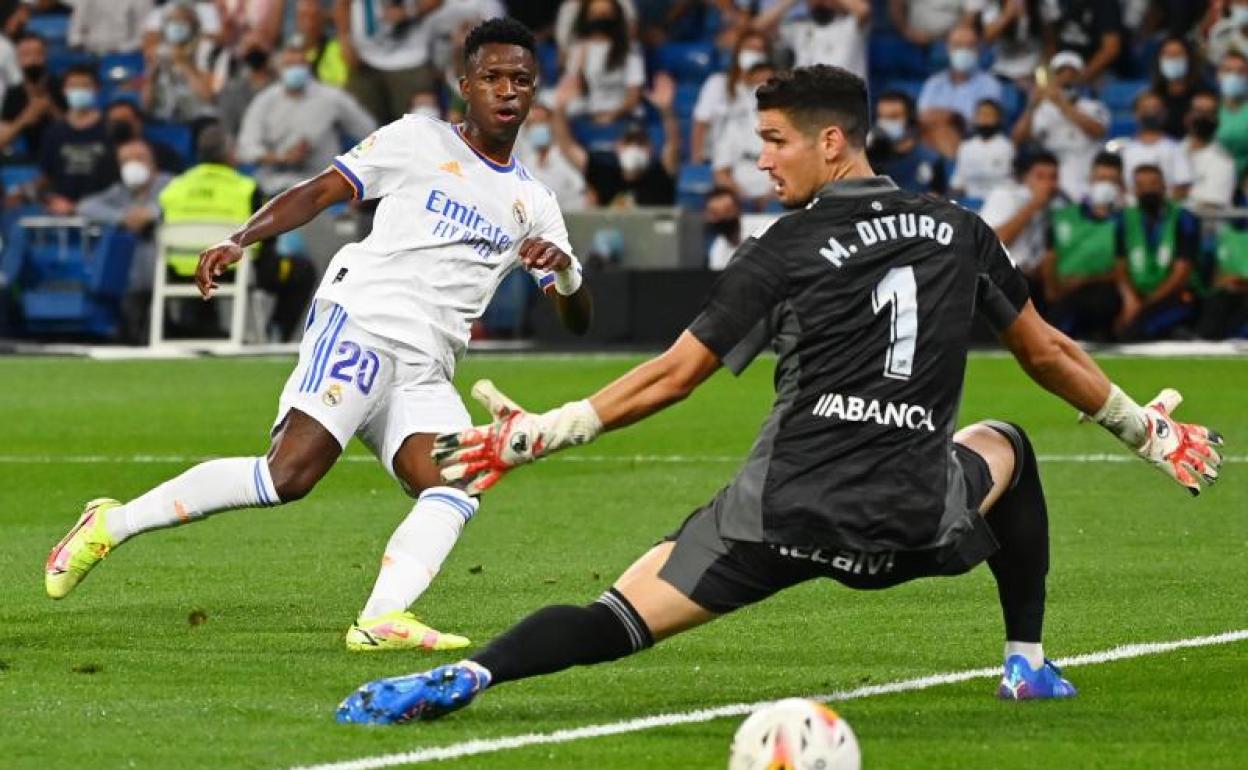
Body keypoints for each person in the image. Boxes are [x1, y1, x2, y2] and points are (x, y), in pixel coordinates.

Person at [332, 65, 1223, 725]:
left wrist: (544, 434)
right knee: (1012, 446)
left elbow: (674, 376)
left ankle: (476, 675)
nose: (760, 161)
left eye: (773, 142)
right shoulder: (961, 232)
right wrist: (1145, 431)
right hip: (914, 516)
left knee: (616, 613)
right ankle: (1026, 663)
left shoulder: (780, 251)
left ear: (830, 141)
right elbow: (1050, 353)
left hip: (780, 517)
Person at [44, 19, 594, 655]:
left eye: (520, 80)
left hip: (427, 364)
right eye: (492, 77)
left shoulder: (534, 200)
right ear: (465, 84)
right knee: (289, 475)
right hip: (363, 318)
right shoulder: (419, 139)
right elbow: (324, 190)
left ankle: (381, 619)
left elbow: (575, 315)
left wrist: (567, 269)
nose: (506, 90)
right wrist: (240, 237)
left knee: (457, 483)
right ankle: (110, 522)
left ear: (535, 92)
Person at [159, 125, 316, 343]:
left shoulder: (174, 187)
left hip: (181, 270)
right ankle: (275, 335)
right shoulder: (246, 188)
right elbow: (266, 236)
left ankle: (200, 330)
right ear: (231, 154)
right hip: (234, 270)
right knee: (302, 270)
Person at [237, 43, 377, 196]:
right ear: (278, 69)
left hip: (322, 183)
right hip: (274, 186)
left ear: (308, 66)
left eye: (300, 64)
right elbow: (247, 147)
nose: (295, 70)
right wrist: (282, 158)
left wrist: (351, 164)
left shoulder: (332, 98)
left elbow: (369, 131)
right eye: (289, 65)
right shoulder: (264, 101)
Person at [76, 138, 172, 344]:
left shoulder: (169, 184)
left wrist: (152, 213)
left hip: (168, 270)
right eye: (126, 161)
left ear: (152, 162)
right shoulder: (120, 193)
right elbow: (85, 206)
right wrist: (122, 217)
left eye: (139, 158)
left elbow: (181, 202)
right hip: (132, 280)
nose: (133, 165)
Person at [551, 73, 678, 208]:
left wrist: (666, 111)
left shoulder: (659, 174)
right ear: (618, 147)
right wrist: (560, 108)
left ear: (650, 148)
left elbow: (673, 145)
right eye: (629, 143)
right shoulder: (605, 174)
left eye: (640, 143)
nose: (634, 148)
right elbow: (567, 146)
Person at [1041, 150, 1123, 340]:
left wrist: (1084, 280)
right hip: (1062, 290)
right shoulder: (1064, 217)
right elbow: (1050, 257)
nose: (1105, 184)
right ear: (1091, 179)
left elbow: (1122, 267)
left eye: (1112, 180)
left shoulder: (1125, 220)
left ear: (1120, 184)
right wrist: (1053, 289)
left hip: (1101, 290)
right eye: (1101, 178)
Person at [1113, 164, 1201, 341]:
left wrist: (1147, 303)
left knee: (1140, 330)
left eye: (1153, 184)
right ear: (1134, 190)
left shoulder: (1184, 218)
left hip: (1172, 294)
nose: (1148, 190)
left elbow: (1181, 272)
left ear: (1163, 186)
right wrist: (1130, 299)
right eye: (1141, 185)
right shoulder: (1125, 219)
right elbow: (1120, 264)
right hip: (1137, 293)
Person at [1009, 50, 1109, 201]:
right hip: (1051, 180)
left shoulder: (1093, 107)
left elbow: (1098, 131)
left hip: (1087, 176)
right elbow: (1017, 139)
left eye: (1072, 73)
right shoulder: (1042, 110)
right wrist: (1032, 106)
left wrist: (1062, 103)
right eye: (1061, 72)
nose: (1066, 77)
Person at [332, 0, 440, 125]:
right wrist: (344, 39)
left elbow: (435, 2)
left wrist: (409, 11)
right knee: (354, 119)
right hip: (364, 58)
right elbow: (342, 4)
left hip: (409, 58)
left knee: (423, 117)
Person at [979, 151, 1062, 302]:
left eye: (1053, 177)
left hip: (1033, 281)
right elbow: (995, 242)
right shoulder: (1005, 195)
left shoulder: (1057, 206)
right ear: (1025, 178)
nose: (1047, 183)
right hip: (1000, 279)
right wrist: (1033, 206)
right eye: (1040, 176)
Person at [35, 64, 117, 214]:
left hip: (105, 208)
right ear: (64, 91)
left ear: (97, 89)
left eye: (85, 86)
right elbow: (46, 177)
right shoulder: (53, 133)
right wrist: (53, 200)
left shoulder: (111, 129)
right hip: (61, 209)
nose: (79, 90)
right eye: (73, 86)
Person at [917, 24, 1003, 157]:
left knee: (941, 130)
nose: (963, 51)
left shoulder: (990, 84)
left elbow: (982, 121)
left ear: (978, 49)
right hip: (931, 140)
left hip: (973, 144)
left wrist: (949, 118)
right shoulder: (934, 83)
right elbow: (922, 117)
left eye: (969, 46)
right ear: (948, 49)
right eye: (957, 45)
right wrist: (952, 116)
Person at [558, 0, 646, 127]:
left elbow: (634, 95)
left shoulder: (630, 49)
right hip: (588, 115)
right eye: (595, 14)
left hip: (625, 117)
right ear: (586, 17)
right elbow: (573, 91)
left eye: (606, 14)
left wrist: (613, 115)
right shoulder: (578, 49)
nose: (600, 19)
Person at [690, 29, 772, 164]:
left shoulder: (768, 90)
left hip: (754, 160)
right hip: (716, 159)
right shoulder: (717, 83)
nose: (755, 54)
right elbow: (700, 124)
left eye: (760, 50)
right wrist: (696, 160)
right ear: (738, 51)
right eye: (750, 48)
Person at [752, 0, 871, 77]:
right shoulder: (799, 28)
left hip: (845, 103)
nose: (819, 3)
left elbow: (864, 10)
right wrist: (790, 2)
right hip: (807, 103)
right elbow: (758, 28)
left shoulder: (850, 25)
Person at [867, 89, 947, 196]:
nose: (884, 123)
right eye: (881, 116)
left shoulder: (931, 160)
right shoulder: (869, 159)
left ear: (910, 120)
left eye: (893, 117)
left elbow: (939, 202)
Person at [0, 32, 64, 158]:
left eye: (37, 54)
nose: (32, 59)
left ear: (45, 56)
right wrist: (24, 119)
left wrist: (51, 110)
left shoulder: (60, 86)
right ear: (17, 59)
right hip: (26, 159)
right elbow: (2, 140)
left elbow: (79, 132)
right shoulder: (14, 92)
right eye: (26, 55)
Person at [515, 102, 586, 212]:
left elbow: (581, 190)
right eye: (533, 123)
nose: (537, 127)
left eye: (541, 121)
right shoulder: (527, 162)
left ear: (551, 124)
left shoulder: (565, 157)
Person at [1120, 91, 1193, 198]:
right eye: (1145, 108)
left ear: (1164, 113)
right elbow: (1120, 186)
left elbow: (1182, 186)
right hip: (1131, 210)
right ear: (1136, 114)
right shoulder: (1125, 150)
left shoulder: (1176, 149)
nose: (1151, 112)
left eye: (1155, 108)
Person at [950, 98, 1014, 201]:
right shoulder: (966, 147)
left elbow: (1010, 182)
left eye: (989, 115)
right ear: (975, 118)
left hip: (997, 203)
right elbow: (957, 183)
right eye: (981, 115)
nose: (985, 119)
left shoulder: (1006, 147)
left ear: (998, 119)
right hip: (970, 202)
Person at [1181, 90, 1235, 211]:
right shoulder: (1174, 150)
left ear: (1218, 120)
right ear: (1187, 117)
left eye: (1209, 113)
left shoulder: (1223, 161)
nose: (1203, 118)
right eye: (1199, 111)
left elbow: (1211, 207)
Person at [1150, 36, 1211, 139]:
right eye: (1168, 55)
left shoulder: (1204, 95)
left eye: (1178, 54)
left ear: (1189, 59)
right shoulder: (1153, 97)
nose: (1173, 59)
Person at [1050, 0, 1123, 84]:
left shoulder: (1106, 4)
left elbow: (1111, 48)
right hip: (1061, 66)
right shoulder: (1055, 3)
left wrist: (1081, 77)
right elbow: (1049, 40)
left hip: (1095, 72)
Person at [105, 100, 187, 174]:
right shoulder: (106, 162)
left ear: (138, 123)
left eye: (124, 120)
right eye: (115, 122)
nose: (120, 126)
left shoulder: (163, 154)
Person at [68, 0, 151, 55]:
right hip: (90, 51)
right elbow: (76, 26)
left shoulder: (143, 1)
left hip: (125, 53)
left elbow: (143, 33)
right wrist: (78, 44)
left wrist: (122, 49)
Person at [1215, 50, 1248, 179]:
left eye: (1241, 72)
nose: (1234, 76)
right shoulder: (1210, 110)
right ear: (1218, 75)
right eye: (1228, 70)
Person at [887, 0, 977, 47]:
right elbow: (896, 6)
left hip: (950, 40)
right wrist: (907, 32)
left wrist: (953, 37)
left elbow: (969, 16)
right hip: (913, 38)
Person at [703, 185, 743, 270]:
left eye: (727, 210)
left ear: (738, 210)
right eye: (715, 213)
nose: (723, 217)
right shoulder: (717, 248)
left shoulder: (764, 227)